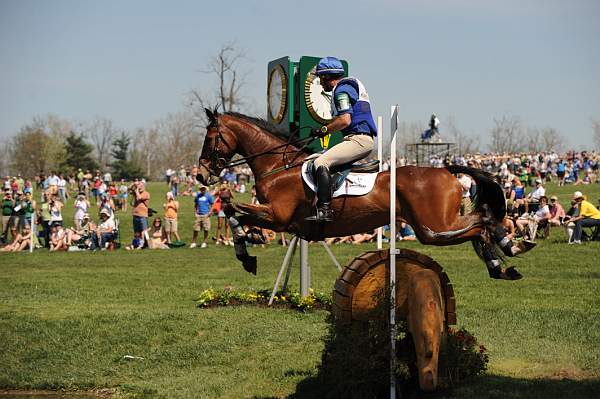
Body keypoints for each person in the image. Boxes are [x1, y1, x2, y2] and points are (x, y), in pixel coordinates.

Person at [308, 56, 377, 221]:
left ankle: (325, 209)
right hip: (357, 138)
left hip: (359, 140)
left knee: (320, 163)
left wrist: (324, 130)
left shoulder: (341, 90)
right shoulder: (348, 87)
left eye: (320, 79)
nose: (320, 83)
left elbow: (345, 120)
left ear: (327, 77)